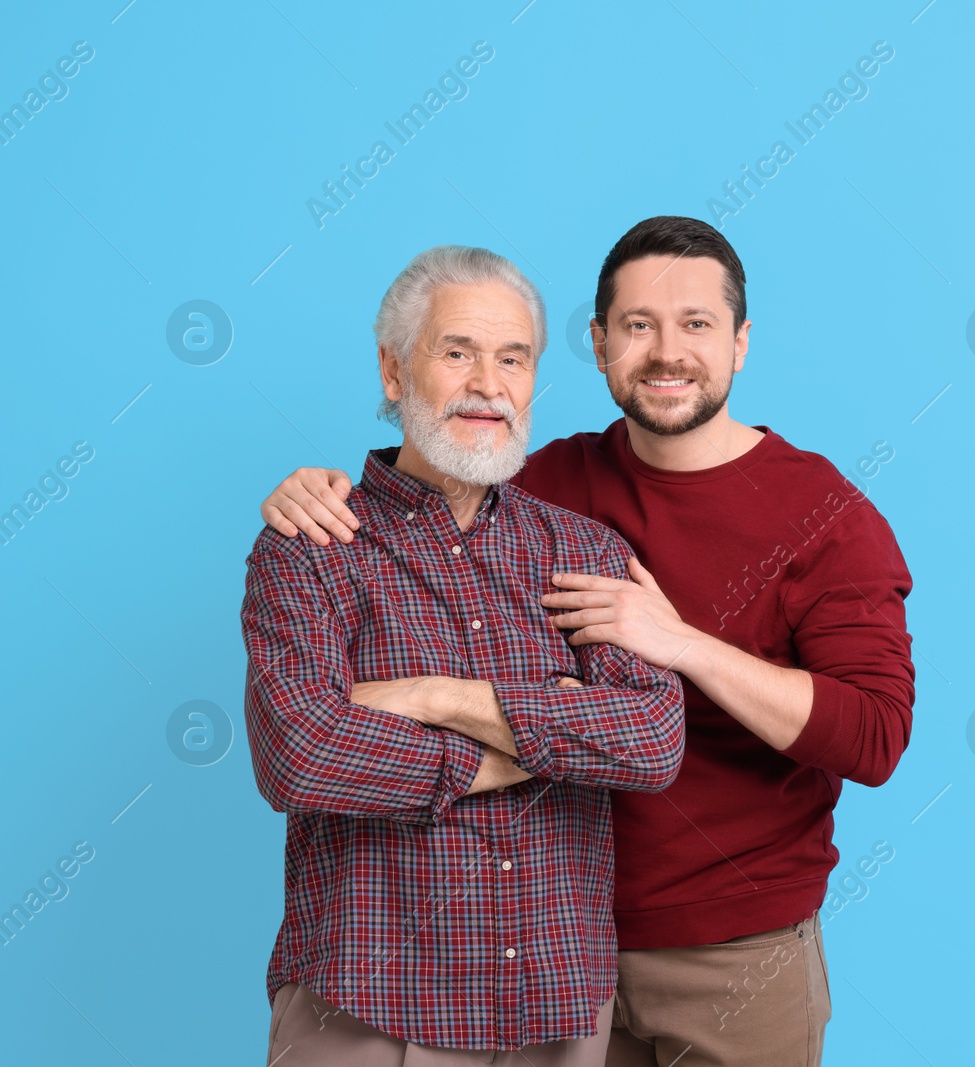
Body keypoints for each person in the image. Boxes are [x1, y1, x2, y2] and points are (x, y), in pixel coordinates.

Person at [260, 217, 915, 1066]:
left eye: (698, 325)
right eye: (639, 325)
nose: (668, 352)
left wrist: (677, 645)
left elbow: (861, 735)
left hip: (729, 948)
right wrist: (307, 492)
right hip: (559, 953)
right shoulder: (544, 485)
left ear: (742, 343)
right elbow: (437, 470)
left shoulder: (821, 515)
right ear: (601, 346)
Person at [241, 245, 685, 1065]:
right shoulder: (310, 547)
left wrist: (434, 696)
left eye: (512, 357)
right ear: (394, 369)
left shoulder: (583, 549)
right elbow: (300, 753)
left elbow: (652, 739)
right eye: (458, 352)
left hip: (557, 1010)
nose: (489, 383)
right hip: (368, 1006)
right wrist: (544, 740)